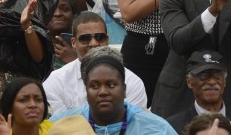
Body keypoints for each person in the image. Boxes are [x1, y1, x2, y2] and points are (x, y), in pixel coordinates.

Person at [49, 52, 177, 134]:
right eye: (94, 86)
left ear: (124, 89)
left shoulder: (157, 129)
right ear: (86, 91)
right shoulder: (60, 125)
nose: (103, 92)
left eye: (111, 85)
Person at [43, 13, 148, 112]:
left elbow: (134, 124)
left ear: (107, 40)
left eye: (99, 37)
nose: (93, 43)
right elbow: (58, 125)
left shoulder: (132, 82)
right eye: (85, 38)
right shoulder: (55, 81)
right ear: (74, 42)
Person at [166, 50, 231, 135]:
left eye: (217, 75)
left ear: (225, 80)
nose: (212, 81)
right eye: (203, 75)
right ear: (189, 81)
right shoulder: (173, 126)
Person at [43, 0, 79, 69]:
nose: (58, 13)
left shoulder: (84, 43)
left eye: (65, 9)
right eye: (51, 9)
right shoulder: (36, 47)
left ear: (73, 14)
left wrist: (75, 60)